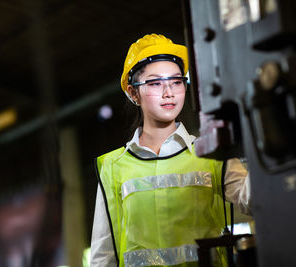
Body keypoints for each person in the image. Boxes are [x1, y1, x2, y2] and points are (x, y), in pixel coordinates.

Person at [90, 33, 251, 267]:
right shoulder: (113, 166)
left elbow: (254, 201)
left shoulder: (211, 152)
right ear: (133, 92)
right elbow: (103, 255)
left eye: (176, 81)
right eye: (155, 83)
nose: (169, 92)